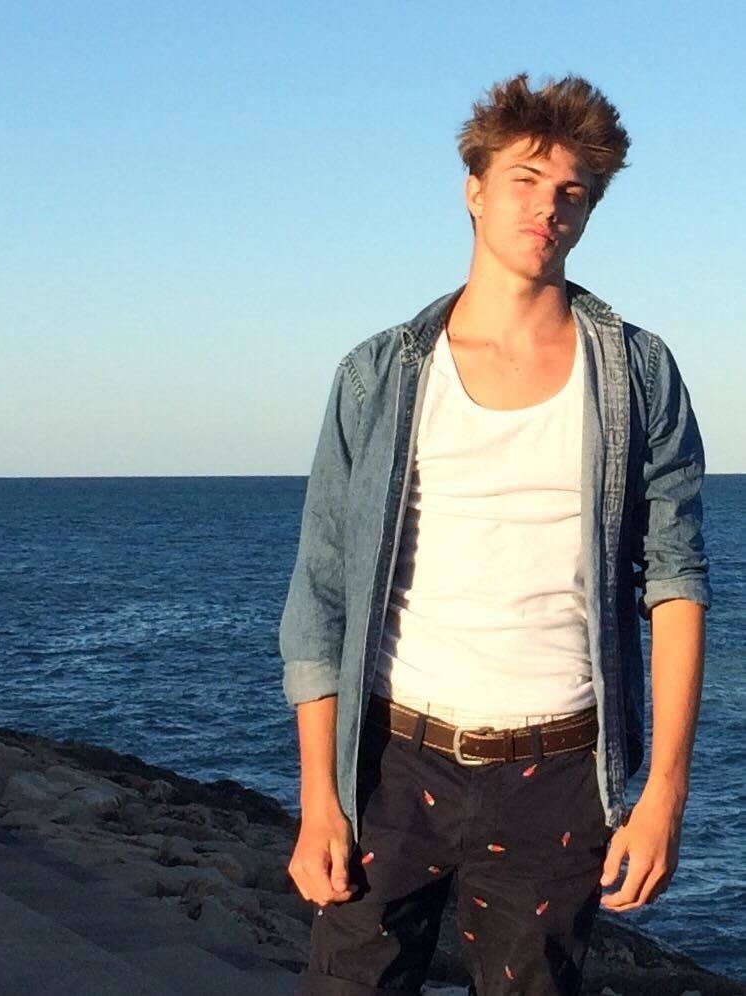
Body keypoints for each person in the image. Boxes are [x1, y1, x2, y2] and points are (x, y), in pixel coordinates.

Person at [279, 73, 710, 995]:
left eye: (573, 191)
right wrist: (319, 799)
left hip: (559, 773)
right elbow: (320, 594)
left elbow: (676, 582)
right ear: (473, 189)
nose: (549, 206)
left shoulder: (637, 374)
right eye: (525, 179)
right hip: (391, 765)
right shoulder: (378, 375)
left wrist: (665, 795)